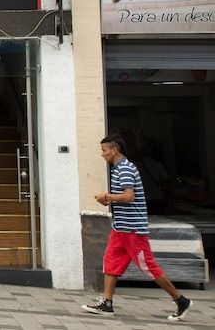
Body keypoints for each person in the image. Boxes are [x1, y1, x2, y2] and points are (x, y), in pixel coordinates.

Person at [81, 134, 191, 321]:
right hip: (121, 228)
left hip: (132, 230)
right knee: (111, 262)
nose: (102, 154)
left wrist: (106, 197)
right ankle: (107, 303)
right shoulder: (119, 168)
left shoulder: (124, 169)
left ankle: (181, 300)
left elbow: (128, 196)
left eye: (104, 150)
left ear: (114, 150)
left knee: (148, 267)